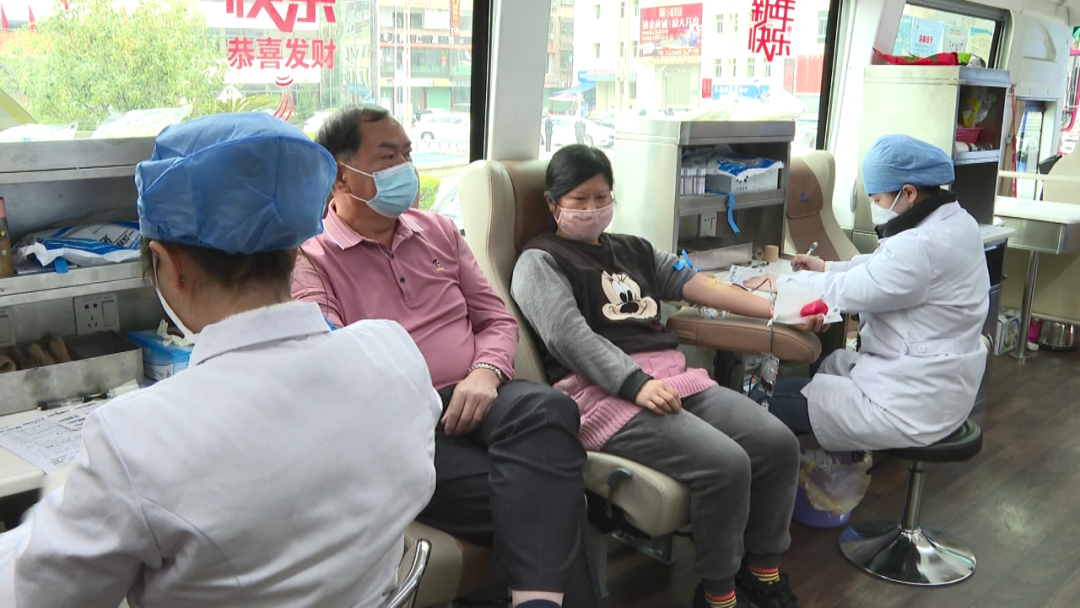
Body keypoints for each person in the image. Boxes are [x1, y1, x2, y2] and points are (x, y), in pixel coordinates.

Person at [0, 114, 441, 606]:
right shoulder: (392, 354)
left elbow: (35, 595)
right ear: (294, 249)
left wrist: (61, 501)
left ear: (170, 266)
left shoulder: (135, 440)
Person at [292, 106, 603, 608]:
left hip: (481, 394)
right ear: (340, 174)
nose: (405, 169)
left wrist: (485, 372)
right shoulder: (311, 259)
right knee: (552, 497)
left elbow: (496, 320)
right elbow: (334, 362)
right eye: (388, 157)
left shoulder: (437, 230)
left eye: (408, 154)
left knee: (549, 407)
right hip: (404, 424)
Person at [510, 145, 827, 608]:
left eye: (602, 197)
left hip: (674, 381)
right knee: (727, 463)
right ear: (552, 203)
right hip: (606, 394)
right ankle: (718, 592)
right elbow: (569, 337)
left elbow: (701, 285)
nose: (592, 209)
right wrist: (635, 383)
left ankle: (762, 572)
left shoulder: (633, 250)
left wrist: (780, 312)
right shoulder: (539, 262)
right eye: (579, 200)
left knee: (778, 444)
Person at [754, 134, 990, 451]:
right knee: (831, 366)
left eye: (877, 200)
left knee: (759, 397)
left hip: (907, 404)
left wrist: (778, 283)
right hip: (942, 387)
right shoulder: (958, 222)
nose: (874, 207)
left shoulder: (919, 246)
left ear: (909, 193)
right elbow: (882, 267)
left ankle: (790, 474)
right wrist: (826, 268)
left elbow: (853, 289)